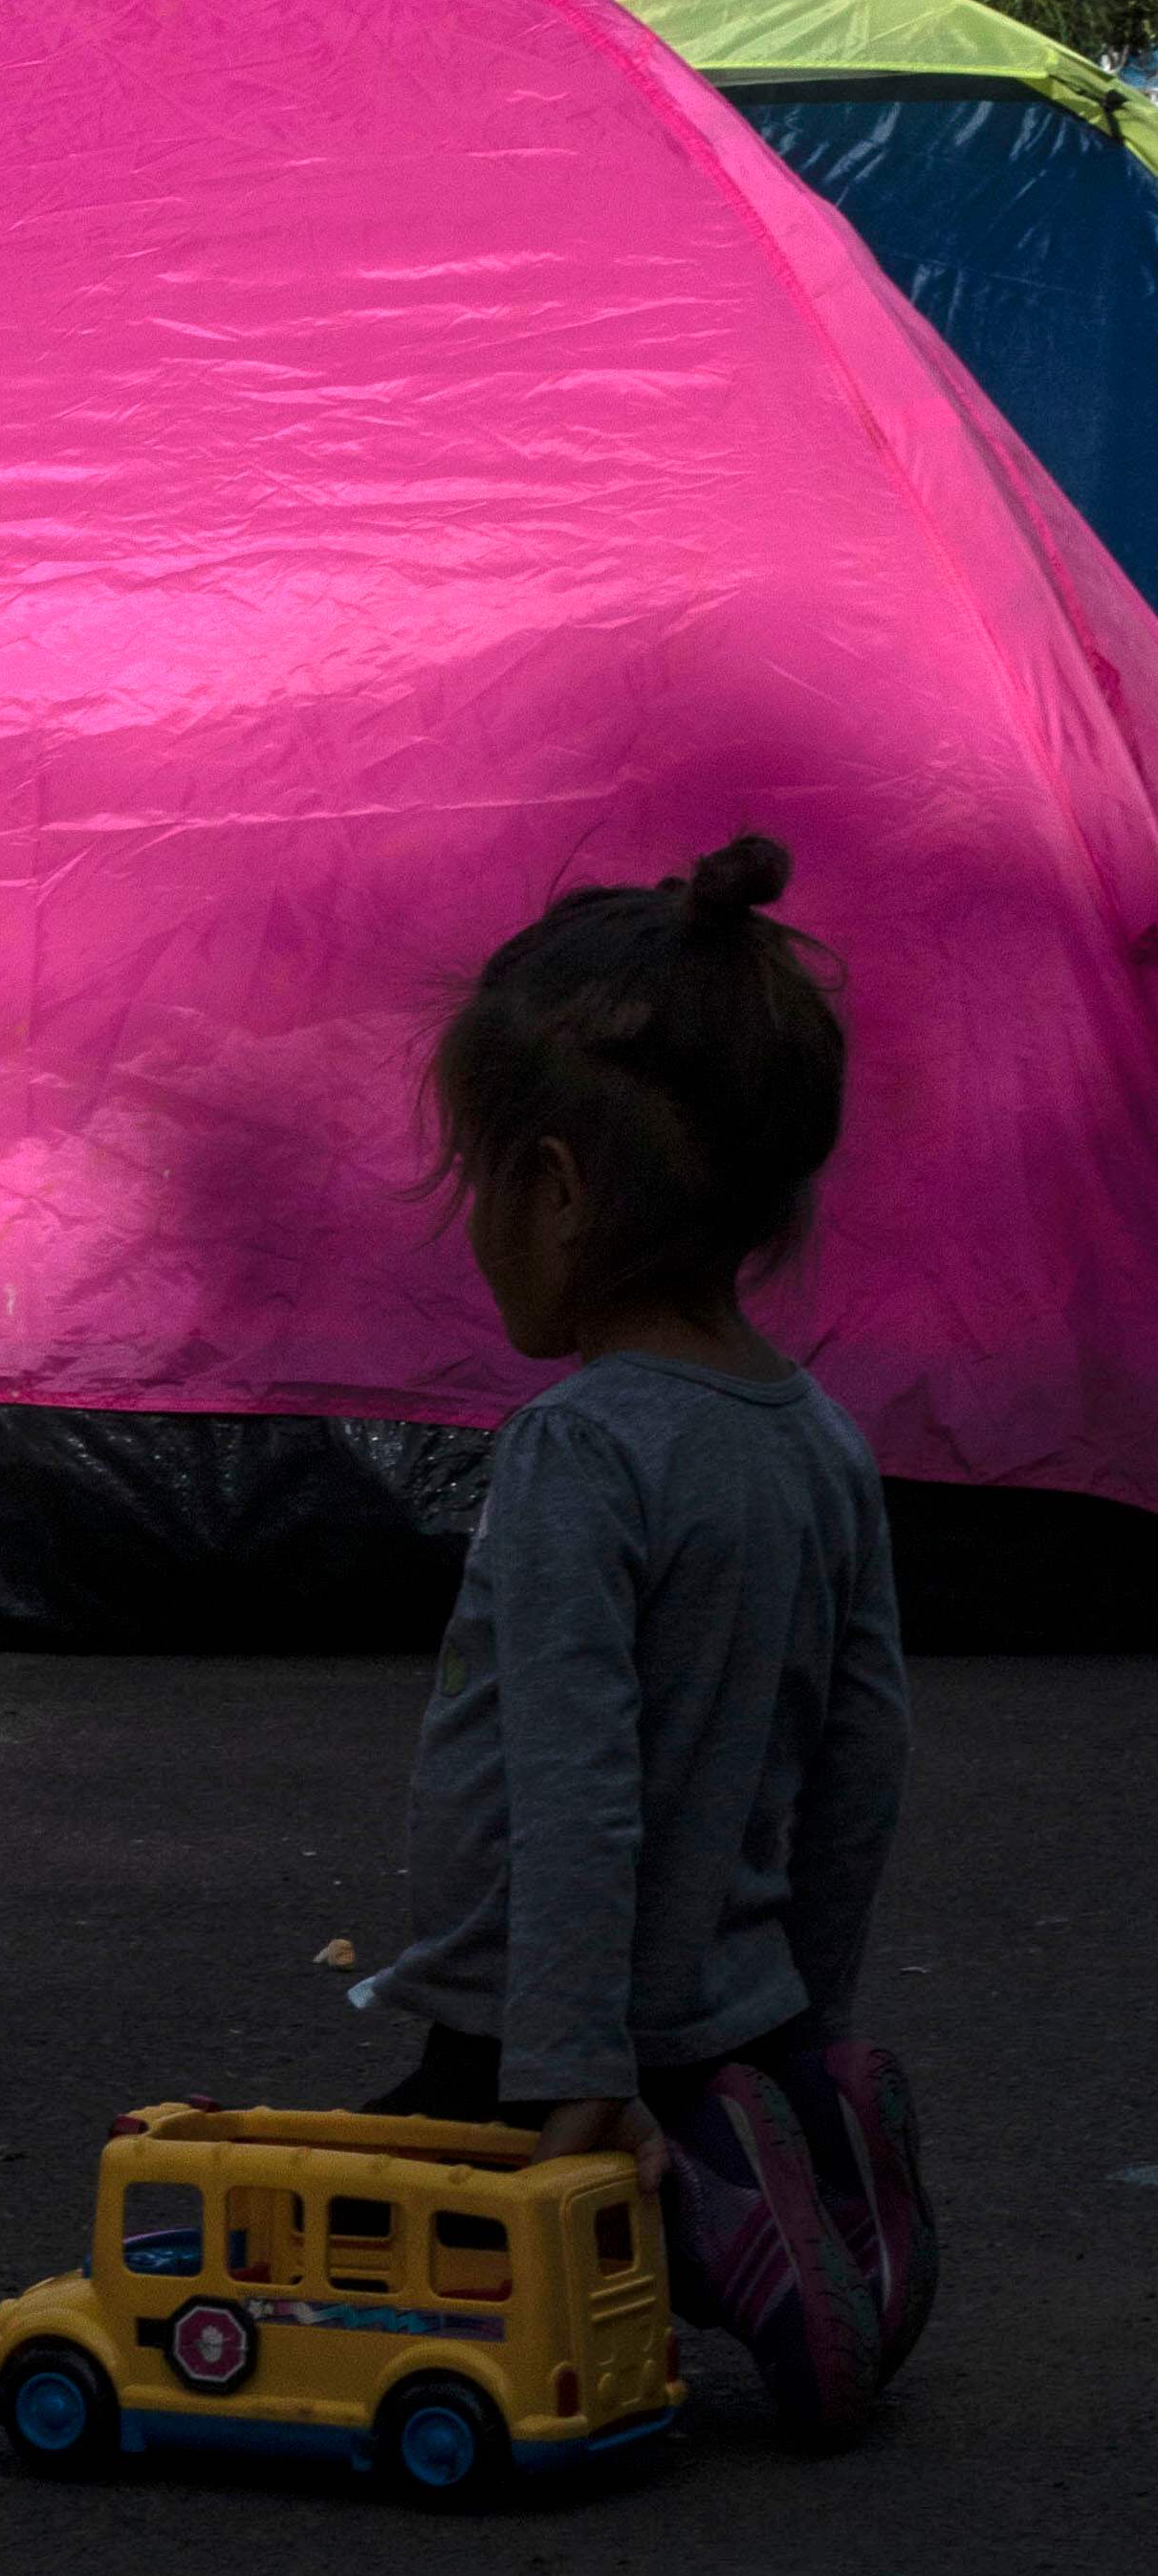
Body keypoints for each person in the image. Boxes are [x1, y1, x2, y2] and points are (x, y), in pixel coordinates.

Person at [355, 832, 932, 2444]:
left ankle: (719, 2224)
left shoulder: (580, 1451)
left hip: (539, 2032)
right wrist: (803, 2030)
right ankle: (806, 2150)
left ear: (552, 1190)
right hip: (741, 2010)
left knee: (351, 2238)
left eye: (477, 1181)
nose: (472, 1223)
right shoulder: (814, 1436)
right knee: (701, 2131)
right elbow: (866, 1743)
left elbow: (572, 1782)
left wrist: (565, 2067)